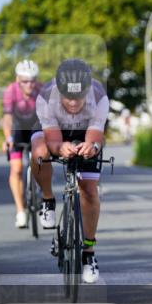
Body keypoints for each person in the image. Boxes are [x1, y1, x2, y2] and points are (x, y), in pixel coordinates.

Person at [32, 59, 109, 284]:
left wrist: (92, 147)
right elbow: (53, 139)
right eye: (68, 97)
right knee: (39, 151)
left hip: (85, 132)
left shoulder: (99, 96)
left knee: (89, 191)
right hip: (54, 131)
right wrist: (59, 148)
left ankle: (89, 253)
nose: (74, 103)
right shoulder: (46, 96)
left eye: (79, 97)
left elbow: (95, 135)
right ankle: (47, 200)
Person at [0, 60, 43, 228]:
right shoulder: (11, 91)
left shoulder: (41, 90)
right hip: (17, 129)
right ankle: (20, 211)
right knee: (16, 168)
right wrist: (8, 139)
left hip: (35, 127)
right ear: (18, 79)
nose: (29, 85)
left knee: (41, 159)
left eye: (32, 81)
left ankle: (41, 190)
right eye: (25, 81)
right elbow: (7, 118)